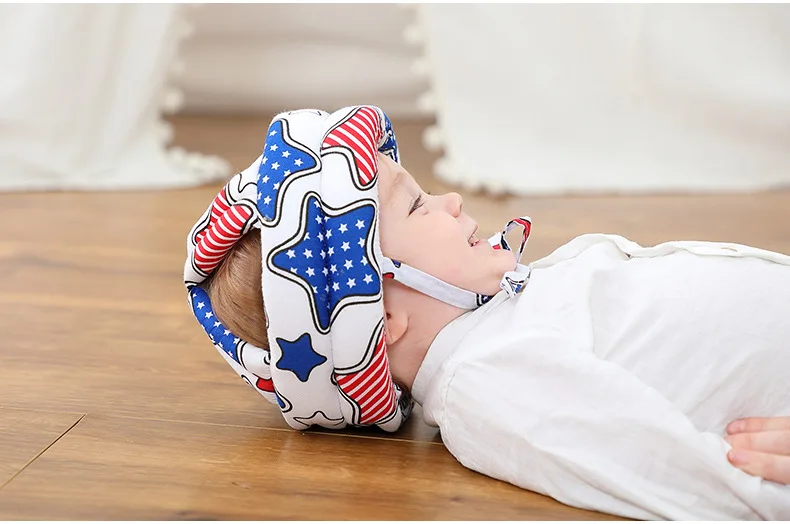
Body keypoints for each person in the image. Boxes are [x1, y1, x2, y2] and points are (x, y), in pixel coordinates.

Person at [184, 106, 790, 520]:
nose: (450, 200)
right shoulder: (489, 382)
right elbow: (668, 474)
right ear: (379, 319)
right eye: (417, 207)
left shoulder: (498, 318)